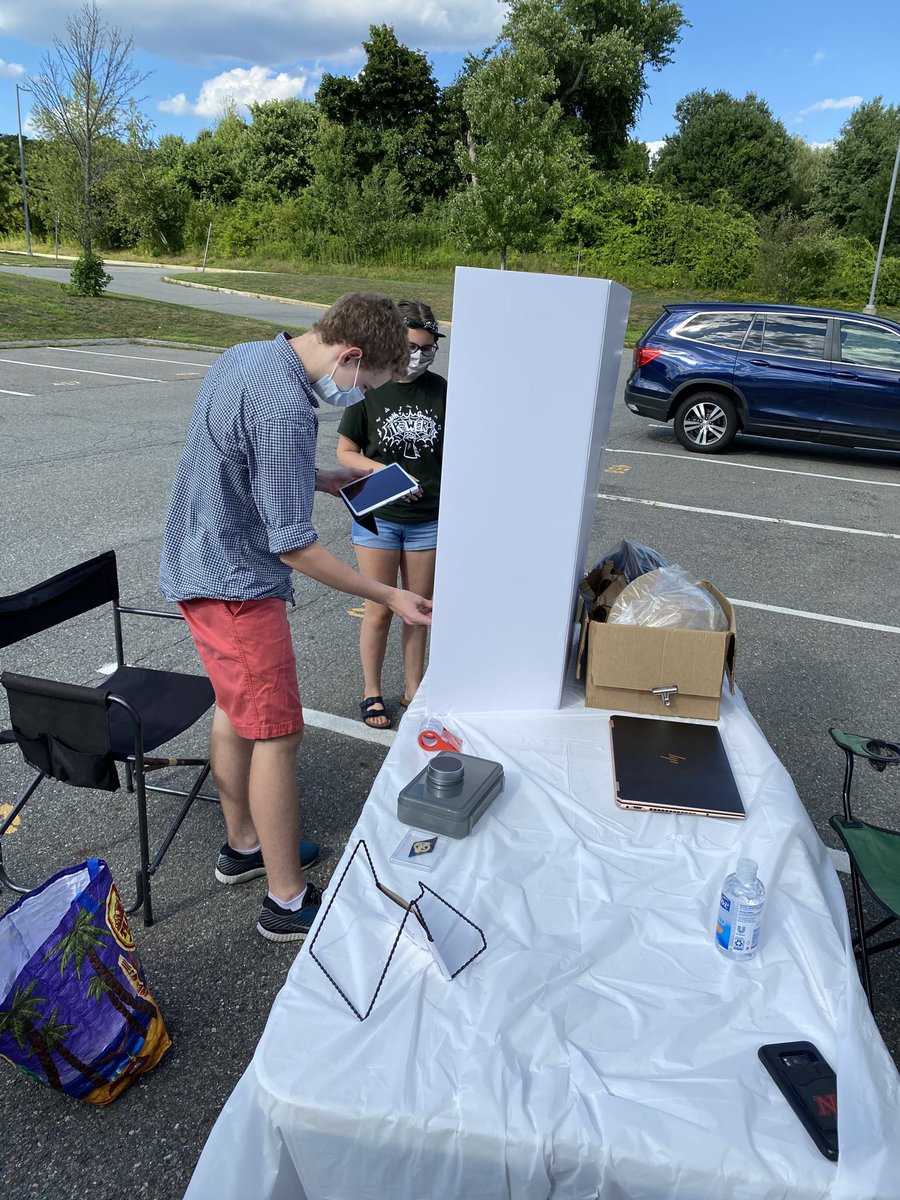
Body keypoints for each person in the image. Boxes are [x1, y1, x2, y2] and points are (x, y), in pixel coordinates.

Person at [159, 294, 432, 943]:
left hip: (196, 564)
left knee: (236, 713)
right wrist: (387, 595)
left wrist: (324, 477)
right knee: (277, 736)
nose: (359, 393)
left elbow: (242, 456)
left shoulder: (248, 356)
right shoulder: (286, 407)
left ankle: (244, 846)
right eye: (366, 382)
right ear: (350, 355)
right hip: (237, 586)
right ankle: (285, 899)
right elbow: (294, 546)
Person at [336, 300, 447, 729]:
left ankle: (414, 687)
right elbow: (345, 451)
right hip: (379, 516)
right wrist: (386, 472)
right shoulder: (370, 385)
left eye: (428, 348)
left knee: (417, 609)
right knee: (379, 608)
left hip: (430, 520)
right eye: (412, 347)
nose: (419, 356)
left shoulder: (441, 390)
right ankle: (372, 690)